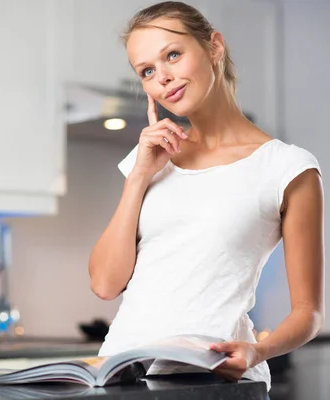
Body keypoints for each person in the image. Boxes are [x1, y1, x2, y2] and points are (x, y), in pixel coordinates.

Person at [88, 1, 324, 393]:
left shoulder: (287, 167)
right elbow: (105, 283)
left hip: (213, 380)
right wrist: (140, 176)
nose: (162, 78)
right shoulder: (149, 160)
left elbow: (308, 313)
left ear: (214, 47)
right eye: (147, 71)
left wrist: (257, 351)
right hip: (120, 376)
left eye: (173, 55)